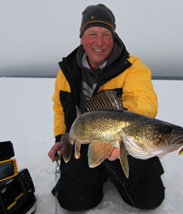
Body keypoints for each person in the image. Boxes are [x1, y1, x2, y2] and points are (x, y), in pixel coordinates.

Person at [48, 4, 165, 212]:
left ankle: (113, 170)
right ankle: (96, 173)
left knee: (149, 198)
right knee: (72, 201)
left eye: (106, 34)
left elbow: (143, 100)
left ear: (114, 36)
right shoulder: (66, 71)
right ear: (81, 38)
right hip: (83, 143)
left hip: (123, 143)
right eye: (92, 33)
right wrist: (61, 137)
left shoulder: (133, 67)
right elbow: (59, 107)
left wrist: (124, 132)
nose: (99, 42)